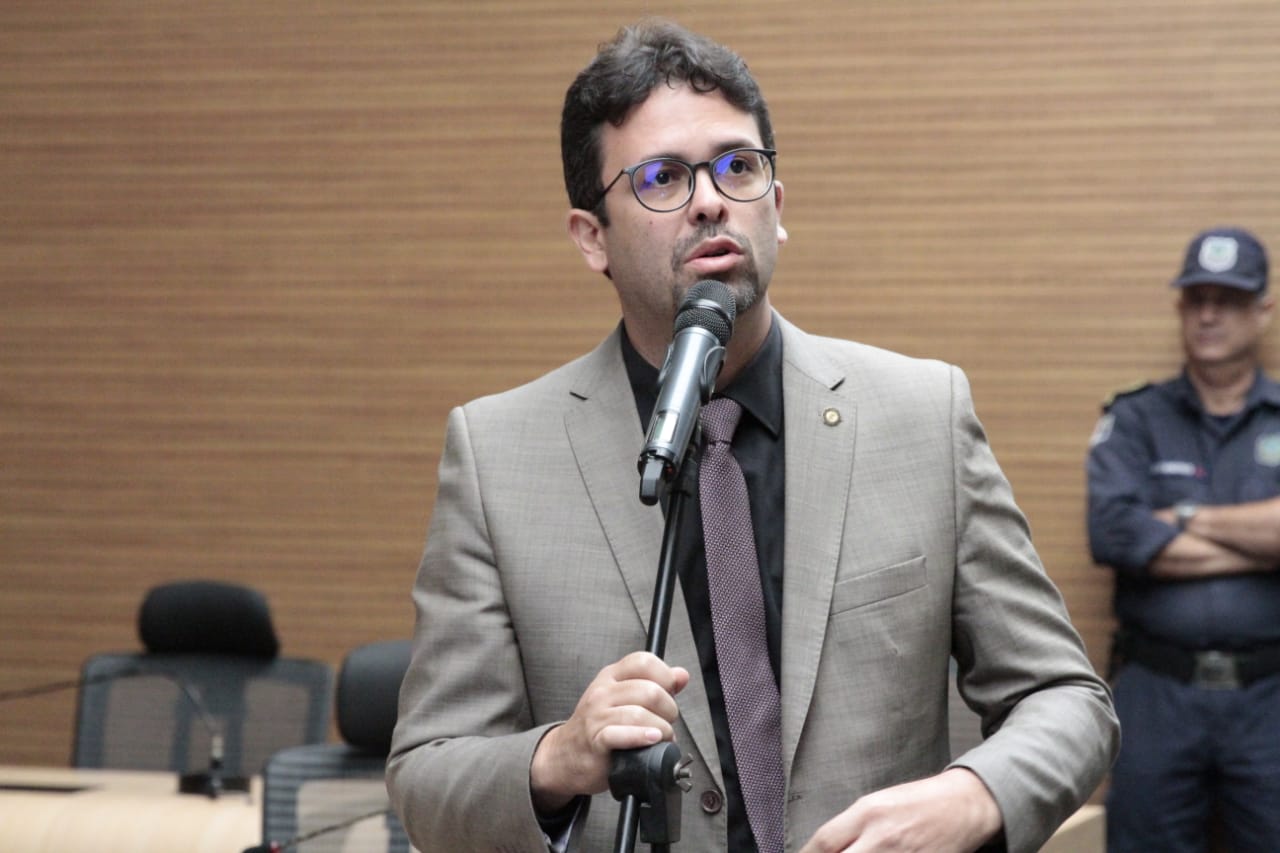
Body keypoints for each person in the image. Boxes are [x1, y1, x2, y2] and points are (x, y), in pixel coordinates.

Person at [389, 19, 1117, 853]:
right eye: (662, 178)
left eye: (737, 166)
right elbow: (427, 776)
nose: (710, 200)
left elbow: (1067, 697)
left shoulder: (922, 415)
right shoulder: (498, 456)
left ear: (777, 206)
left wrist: (971, 796)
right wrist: (557, 757)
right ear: (592, 238)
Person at [1087, 226, 1280, 853]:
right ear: (1180, 307)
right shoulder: (1135, 417)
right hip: (1157, 694)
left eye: (1228, 299)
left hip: (1271, 695)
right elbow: (1115, 532)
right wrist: (1259, 539)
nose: (1209, 314)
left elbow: (1147, 531)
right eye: (1197, 298)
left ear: (1263, 310)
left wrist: (1184, 516)